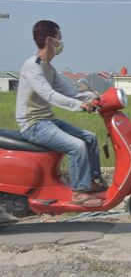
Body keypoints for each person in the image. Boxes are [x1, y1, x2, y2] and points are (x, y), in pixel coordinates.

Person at [15, 20, 105, 207]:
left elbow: (71, 92)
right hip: (33, 125)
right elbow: (49, 95)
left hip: (47, 121)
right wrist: (80, 106)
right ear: (50, 40)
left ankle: (91, 182)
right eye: (60, 38)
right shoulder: (32, 66)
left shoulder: (49, 68)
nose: (61, 42)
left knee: (90, 137)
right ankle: (79, 192)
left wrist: (96, 97)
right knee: (77, 146)